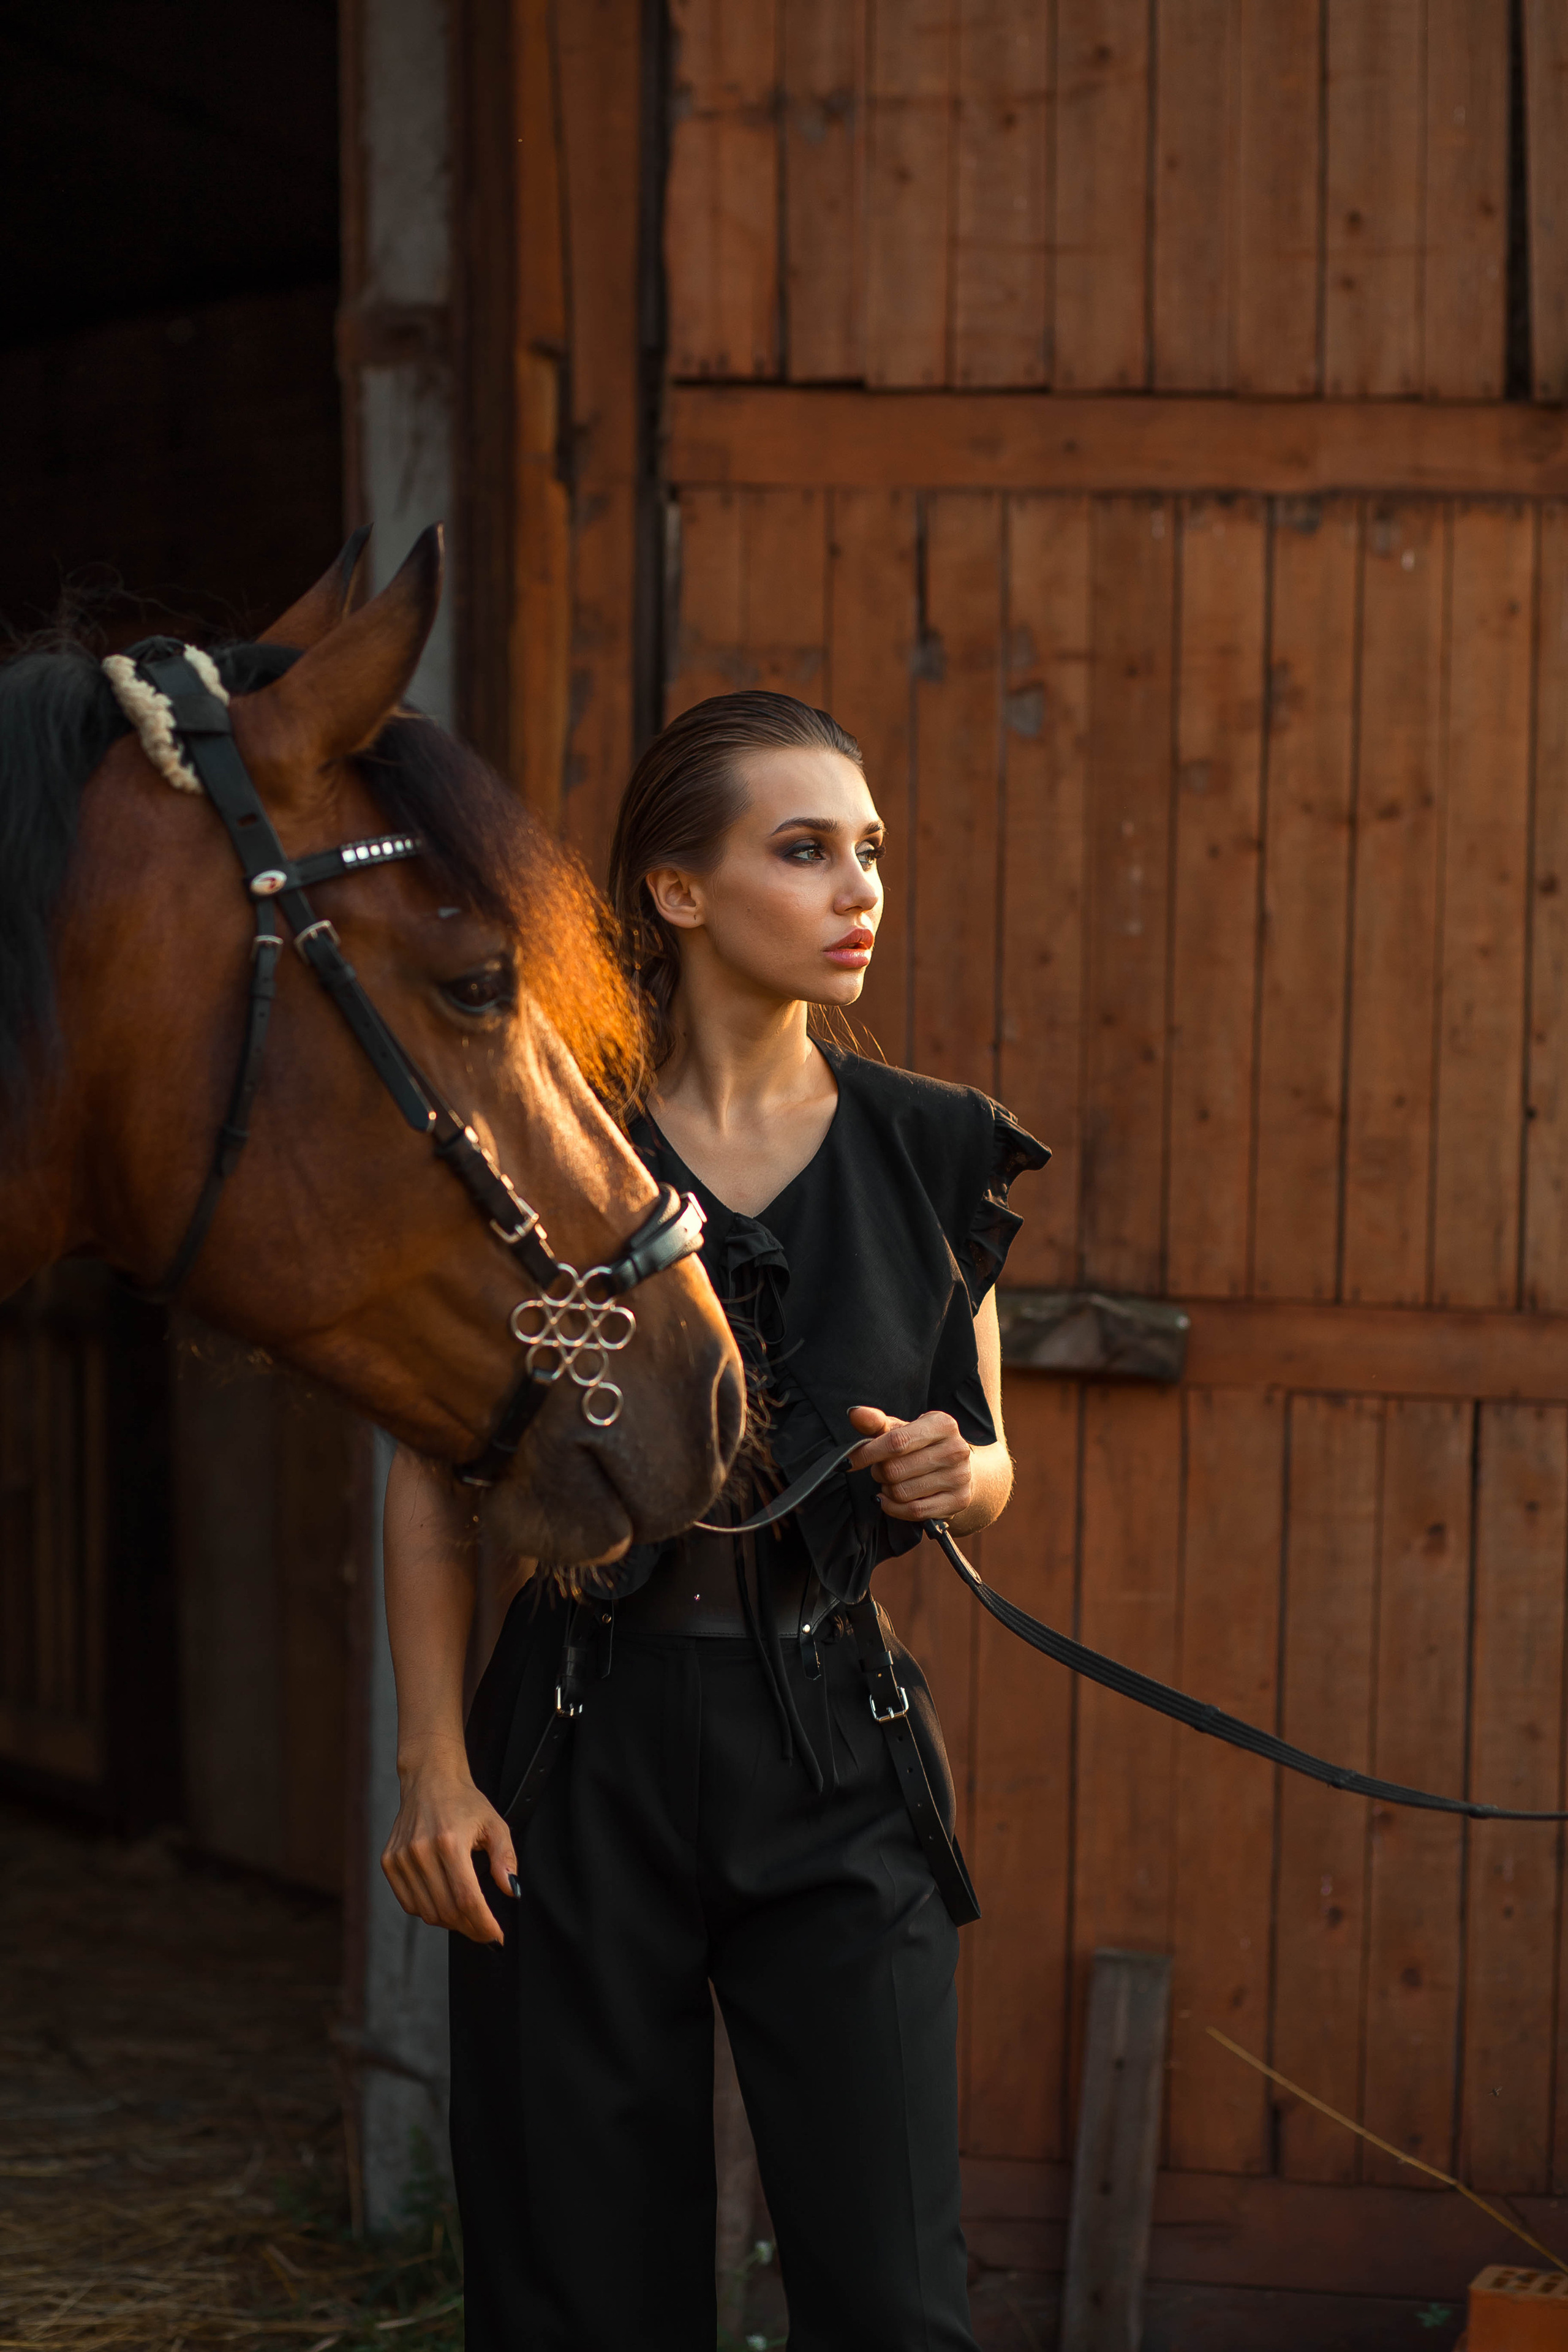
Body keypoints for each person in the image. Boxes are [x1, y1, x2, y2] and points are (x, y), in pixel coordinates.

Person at [379, 691, 1047, 2351]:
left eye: (870, 853)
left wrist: (954, 1478)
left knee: (894, 2299)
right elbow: (423, 1461)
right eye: (805, 849)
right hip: (572, 1743)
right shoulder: (558, 1137)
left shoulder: (929, 1147)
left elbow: (996, 1453)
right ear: (678, 891)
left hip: (838, 1744)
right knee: (576, 2296)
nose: (858, 892)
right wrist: (434, 1767)